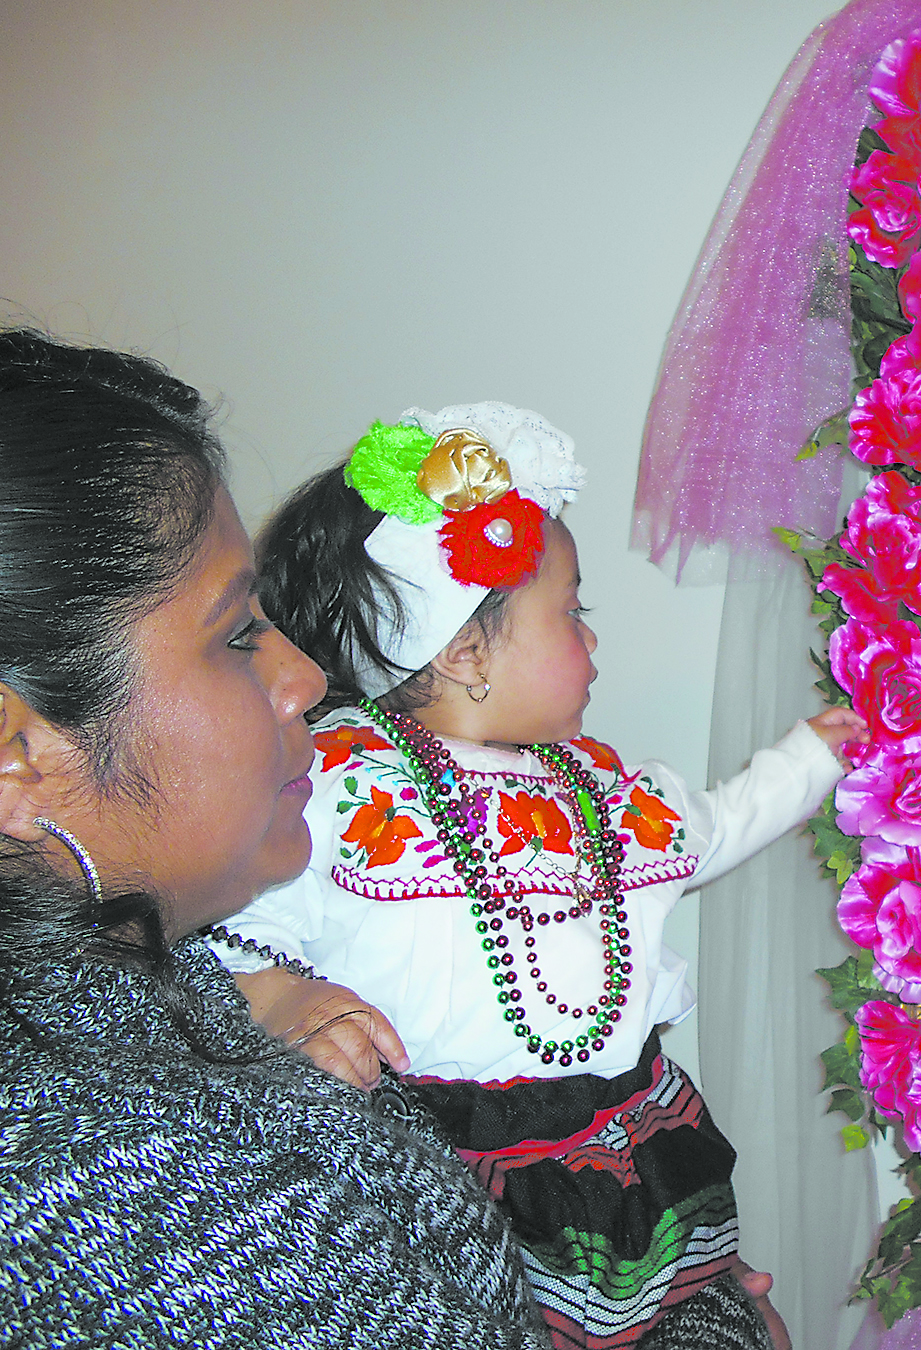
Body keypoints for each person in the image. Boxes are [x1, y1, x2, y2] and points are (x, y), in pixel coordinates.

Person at [210, 402, 866, 1350]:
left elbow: (716, 827)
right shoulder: (348, 777)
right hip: (442, 1166)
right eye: (573, 612)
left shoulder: (597, 788)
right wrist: (277, 995)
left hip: (637, 1147)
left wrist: (812, 755)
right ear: (465, 651)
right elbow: (252, 909)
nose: (594, 640)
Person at [0, 329, 550, 1346]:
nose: (305, 679)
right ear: (16, 755)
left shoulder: (151, 990)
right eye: (237, 634)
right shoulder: (144, 1201)